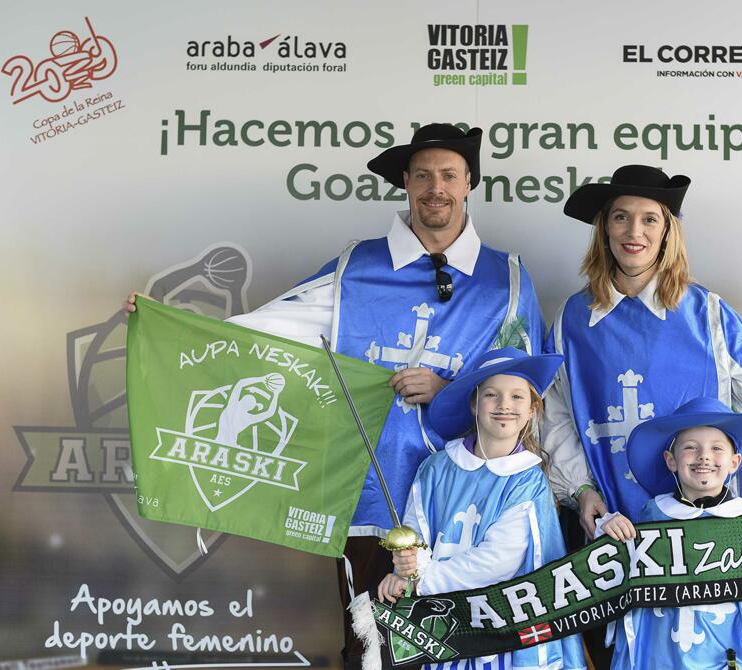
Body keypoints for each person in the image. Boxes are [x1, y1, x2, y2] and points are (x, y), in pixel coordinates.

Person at [125, 124, 545, 670]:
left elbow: (525, 387)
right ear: (405, 183)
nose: (434, 187)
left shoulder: (506, 280)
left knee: (463, 644)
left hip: (466, 497)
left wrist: (449, 394)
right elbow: (271, 331)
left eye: (448, 175)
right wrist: (172, 329)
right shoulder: (359, 267)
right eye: (422, 176)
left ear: (469, 183)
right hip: (370, 490)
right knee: (371, 643)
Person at [540, 164, 742, 667]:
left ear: (668, 231)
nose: (634, 232)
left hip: (710, 542)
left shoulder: (706, 313)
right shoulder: (572, 322)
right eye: (620, 218)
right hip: (619, 539)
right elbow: (556, 422)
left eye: (649, 219)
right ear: (603, 229)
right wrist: (582, 492)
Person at [378, 347, 586, 670]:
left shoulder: (527, 481)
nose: (505, 405)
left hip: (504, 640)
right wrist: (404, 572)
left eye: (517, 397)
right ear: (475, 403)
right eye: (492, 394)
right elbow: (416, 533)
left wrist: (423, 580)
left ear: (532, 410)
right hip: (447, 631)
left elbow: (498, 562)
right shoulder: (436, 469)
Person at [598, 397, 742, 669]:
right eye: (690, 447)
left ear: (735, 462)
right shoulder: (650, 516)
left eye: (716, 448)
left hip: (724, 659)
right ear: (671, 460)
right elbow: (614, 583)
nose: (704, 456)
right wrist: (605, 530)